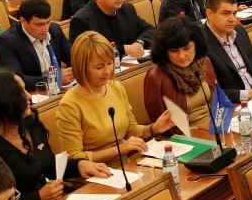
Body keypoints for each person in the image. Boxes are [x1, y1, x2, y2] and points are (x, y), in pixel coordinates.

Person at [0, 72, 110, 200]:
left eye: (26, 89)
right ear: (2, 101)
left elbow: (49, 166)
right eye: (20, 92)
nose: (29, 96)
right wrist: (38, 198)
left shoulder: (31, 124)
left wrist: (79, 165)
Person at [56, 31, 174, 163]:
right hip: (95, 171)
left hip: (125, 165)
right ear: (82, 68)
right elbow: (74, 157)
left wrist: (153, 129)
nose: (107, 71)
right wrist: (119, 150)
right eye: (99, 67)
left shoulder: (115, 87)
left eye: (110, 63)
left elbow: (131, 130)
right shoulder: (70, 104)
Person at [144, 17, 216, 128]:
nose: (182, 56)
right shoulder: (156, 77)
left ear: (196, 45)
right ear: (164, 51)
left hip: (214, 128)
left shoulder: (204, 63)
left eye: (187, 48)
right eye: (174, 51)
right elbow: (162, 128)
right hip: (185, 136)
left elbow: (218, 104)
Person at [203, 0, 252, 103]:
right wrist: (247, 95)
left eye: (234, 13)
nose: (232, 19)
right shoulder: (200, 43)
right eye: (226, 14)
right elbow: (211, 91)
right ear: (209, 14)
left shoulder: (239, 31)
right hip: (234, 105)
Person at [69, 0, 155, 58]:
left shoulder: (127, 9)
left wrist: (139, 42)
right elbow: (85, 53)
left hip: (131, 64)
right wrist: (122, 49)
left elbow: (150, 30)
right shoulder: (81, 20)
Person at [0, 0, 73, 90]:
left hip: (61, 90)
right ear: (23, 21)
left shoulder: (54, 29)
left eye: (48, 22)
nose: (45, 29)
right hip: (33, 94)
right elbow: (14, 80)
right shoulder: (6, 42)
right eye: (39, 24)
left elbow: (73, 56)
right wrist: (53, 80)